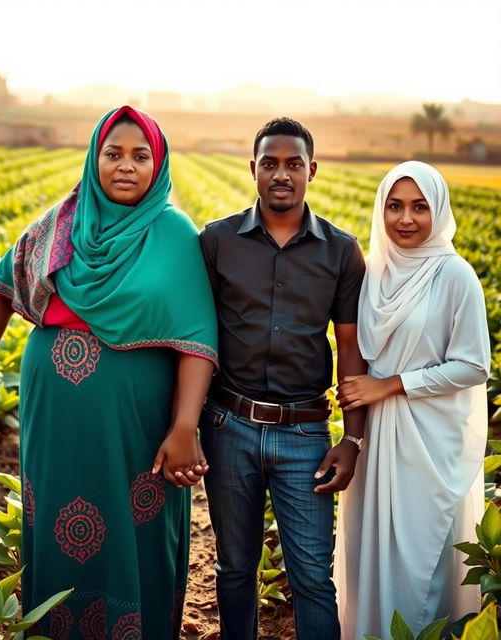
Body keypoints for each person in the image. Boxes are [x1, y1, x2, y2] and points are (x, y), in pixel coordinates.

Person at [0, 105, 218, 640]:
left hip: (137, 421)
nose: (126, 166)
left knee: (135, 521)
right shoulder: (61, 224)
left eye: (140, 156)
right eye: (113, 153)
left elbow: (196, 338)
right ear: (94, 158)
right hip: (55, 412)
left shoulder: (172, 233)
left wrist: (185, 426)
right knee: (56, 517)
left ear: (158, 163)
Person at [198, 117, 367, 640]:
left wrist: (353, 438)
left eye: (294, 164)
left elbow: (351, 351)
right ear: (253, 169)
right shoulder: (217, 241)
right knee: (234, 570)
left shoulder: (341, 251)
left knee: (313, 577)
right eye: (270, 163)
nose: (281, 174)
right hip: (229, 426)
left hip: (305, 436)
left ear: (311, 170)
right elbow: (194, 339)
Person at [334, 161, 490, 639]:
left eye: (420, 207)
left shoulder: (454, 275)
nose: (406, 219)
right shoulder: (373, 272)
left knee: (422, 557)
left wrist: (391, 384)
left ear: (438, 211)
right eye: (395, 206)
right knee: (372, 551)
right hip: (376, 437)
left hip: (429, 442)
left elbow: (473, 365)